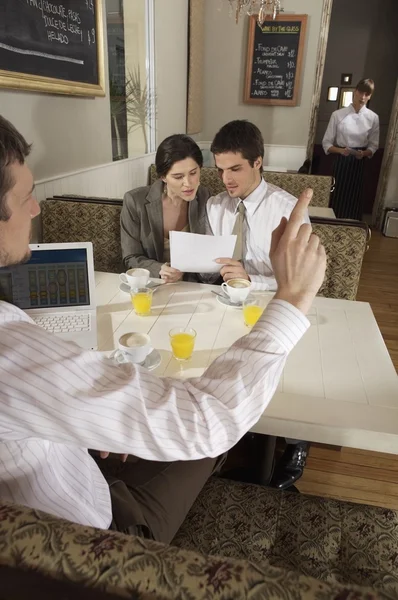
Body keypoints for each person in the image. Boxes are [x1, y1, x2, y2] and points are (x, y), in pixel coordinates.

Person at [0, 115, 326, 543]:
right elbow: (207, 421)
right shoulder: (13, 353)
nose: (36, 209)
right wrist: (293, 298)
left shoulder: (223, 204)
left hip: (60, 475)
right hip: (92, 540)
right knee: (212, 441)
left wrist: (85, 424)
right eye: (26, 196)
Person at [207, 119, 311, 489]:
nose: (226, 180)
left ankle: (297, 441)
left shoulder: (286, 210)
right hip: (228, 305)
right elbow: (213, 260)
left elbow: (301, 279)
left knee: (284, 368)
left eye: (235, 169)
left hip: (275, 304)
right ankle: (246, 428)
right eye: (220, 170)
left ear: (258, 163)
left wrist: (254, 280)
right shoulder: (216, 207)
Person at [121, 134, 210, 284]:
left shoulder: (205, 197)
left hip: (191, 287)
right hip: (150, 286)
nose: (188, 183)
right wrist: (159, 270)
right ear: (163, 177)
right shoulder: (135, 201)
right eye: (178, 177)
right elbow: (131, 257)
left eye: (193, 173)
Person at [322, 78, 379, 220]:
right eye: (361, 92)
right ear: (355, 91)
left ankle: (353, 230)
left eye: (367, 94)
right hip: (341, 161)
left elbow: (374, 145)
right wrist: (341, 151)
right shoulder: (338, 115)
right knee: (337, 196)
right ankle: (333, 225)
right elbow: (326, 143)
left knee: (354, 198)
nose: (363, 97)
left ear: (370, 96)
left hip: (359, 163)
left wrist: (364, 153)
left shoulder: (373, 118)